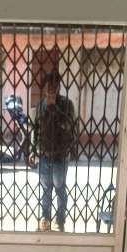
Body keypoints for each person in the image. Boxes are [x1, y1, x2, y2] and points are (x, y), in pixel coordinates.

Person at [30, 70, 78, 231]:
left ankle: (60, 219)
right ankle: (45, 218)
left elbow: (69, 126)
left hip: (60, 155)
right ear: (45, 88)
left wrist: (54, 109)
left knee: (59, 188)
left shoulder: (67, 104)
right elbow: (36, 128)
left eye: (54, 86)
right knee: (46, 189)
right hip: (44, 154)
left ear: (59, 87)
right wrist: (33, 149)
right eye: (48, 86)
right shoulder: (40, 105)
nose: (51, 89)